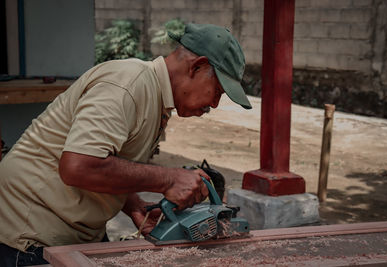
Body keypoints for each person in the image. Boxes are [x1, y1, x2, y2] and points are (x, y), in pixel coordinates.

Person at [0, 23, 252, 266]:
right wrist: (169, 179)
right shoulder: (128, 84)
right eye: (217, 91)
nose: (215, 104)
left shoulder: (153, 95)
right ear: (197, 67)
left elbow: (108, 158)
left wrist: (133, 204)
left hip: (74, 230)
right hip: (29, 233)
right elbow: (78, 166)